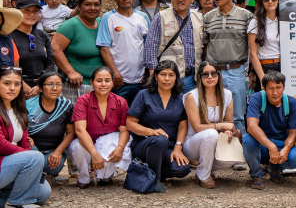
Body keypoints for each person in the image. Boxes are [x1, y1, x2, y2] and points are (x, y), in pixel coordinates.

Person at [126, 60, 191, 192]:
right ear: (156, 76)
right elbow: (130, 123)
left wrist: (178, 147)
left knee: (182, 169)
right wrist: (151, 132)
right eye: (163, 74)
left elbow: (183, 125)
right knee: (160, 139)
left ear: (176, 78)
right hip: (144, 144)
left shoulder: (180, 98)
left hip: (169, 147)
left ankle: (148, 170)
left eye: (171, 75)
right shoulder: (144, 95)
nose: (167, 79)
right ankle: (155, 180)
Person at [203, 0, 253, 131]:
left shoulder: (246, 16)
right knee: (213, 115)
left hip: (236, 72)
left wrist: (250, 72)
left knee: (237, 116)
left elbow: (252, 47)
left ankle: (239, 152)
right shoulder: (208, 18)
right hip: (213, 74)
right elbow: (205, 45)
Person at [70, 67, 131, 188]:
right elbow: (80, 130)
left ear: (112, 82)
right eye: (99, 80)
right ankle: (84, 176)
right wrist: (94, 153)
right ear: (92, 83)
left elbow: (124, 130)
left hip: (108, 143)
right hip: (88, 142)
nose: (103, 84)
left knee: (119, 144)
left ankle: (106, 175)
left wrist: (120, 147)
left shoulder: (121, 102)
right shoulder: (83, 101)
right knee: (77, 147)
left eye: (107, 80)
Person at [0, 67, 50, 208]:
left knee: (43, 193)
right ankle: (16, 202)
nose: (12, 88)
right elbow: (1, 144)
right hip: (3, 164)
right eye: (7, 83)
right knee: (35, 156)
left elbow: (25, 142)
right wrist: (27, 155)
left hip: (11, 164)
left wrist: (27, 154)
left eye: (17, 84)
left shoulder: (19, 110)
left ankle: (6, 201)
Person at [182, 61, 238, 189]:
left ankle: (205, 166)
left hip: (215, 141)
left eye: (213, 73)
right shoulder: (192, 96)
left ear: (219, 75)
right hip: (192, 144)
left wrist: (228, 131)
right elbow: (197, 128)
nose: (210, 77)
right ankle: (203, 175)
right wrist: (221, 126)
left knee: (234, 157)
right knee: (211, 134)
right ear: (199, 78)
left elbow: (229, 123)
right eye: (205, 74)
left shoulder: (227, 94)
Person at [242, 71, 296, 189]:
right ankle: (256, 175)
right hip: (262, 144)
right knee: (248, 141)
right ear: (264, 88)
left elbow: (293, 132)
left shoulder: (291, 103)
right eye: (271, 88)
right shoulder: (257, 98)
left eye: (278, 88)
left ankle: (275, 169)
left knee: (295, 159)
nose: (275, 93)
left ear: (284, 87)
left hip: (280, 143)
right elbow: (251, 126)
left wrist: (286, 148)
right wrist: (271, 147)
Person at [145, 0, 204, 93]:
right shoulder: (161, 17)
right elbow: (150, 49)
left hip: (193, 79)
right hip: (168, 80)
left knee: (190, 110)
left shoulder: (199, 18)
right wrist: (154, 78)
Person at [96, 0, 149, 103]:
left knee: (137, 118)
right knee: (117, 116)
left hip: (141, 81)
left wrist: (146, 72)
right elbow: (104, 48)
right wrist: (115, 73)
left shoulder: (143, 17)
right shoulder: (108, 18)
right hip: (119, 81)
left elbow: (148, 46)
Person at [53, 0, 103, 101]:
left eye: (96, 4)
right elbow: (55, 49)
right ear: (79, 7)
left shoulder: (101, 23)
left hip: (99, 85)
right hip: (76, 86)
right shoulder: (70, 25)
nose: (92, 8)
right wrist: (70, 72)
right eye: (87, 4)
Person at [27, 72, 74, 185]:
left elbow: (71, 133)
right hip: (32, 147)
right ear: (41, 88)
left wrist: (58, 152)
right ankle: (36, 176)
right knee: (33, 157)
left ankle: (41, 174)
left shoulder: (66, 105)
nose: (54, 88)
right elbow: (19, 128)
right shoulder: (28, 104)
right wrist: (26, 137)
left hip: (52, 150)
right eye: (49, 84)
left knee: (53, 168)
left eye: (58, 84)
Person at [12, 0, 54, 96]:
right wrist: (22, 85)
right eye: (26, 11)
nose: (31, 14)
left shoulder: (42, 35)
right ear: (17, 12)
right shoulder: (8, 36)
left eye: (35, 11)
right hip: (15, 87)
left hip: (41, 87)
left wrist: (40, 85)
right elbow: (8, 66)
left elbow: (50, 61)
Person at [247, 0, 282, 91]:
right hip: (265, 68)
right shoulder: (255, 23)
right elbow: (253, 54)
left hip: (284, 67)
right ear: (261, 1)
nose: (270, 1)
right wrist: (262, 79)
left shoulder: (284, 21)